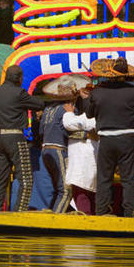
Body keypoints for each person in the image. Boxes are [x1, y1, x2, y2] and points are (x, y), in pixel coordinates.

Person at [85, 57, 134, 217]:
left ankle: (101, 213)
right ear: (126, 74)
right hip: (126, 139)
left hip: (106, 139)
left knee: (104, 178)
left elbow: (88, 113)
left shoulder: (98, 92)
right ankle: (129, 214)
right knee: (128, 179)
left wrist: (89, 96)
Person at [0, 65, 45, 211]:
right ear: (20, 78)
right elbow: (39, 104)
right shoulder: (19, 93)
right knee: (26, 178)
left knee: (1, 178)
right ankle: (18, 211)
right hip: (14, 137)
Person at [39, 75, 87, 213]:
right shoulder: (68, 109)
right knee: (66, 191)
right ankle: (56, 219)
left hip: (45, 150)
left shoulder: (48, 109)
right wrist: (86, 134)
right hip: (58, 150)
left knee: (57, 188)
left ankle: (54, 213)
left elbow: (42, 131)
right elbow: (71, 131)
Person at [62, 87, 98, 214]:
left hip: (86, 158)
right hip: (81, 158)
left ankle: (87, 220)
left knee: (84, 191)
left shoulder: (92, 117)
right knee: (82, 190)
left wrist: (69, 113)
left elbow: (70, 123)